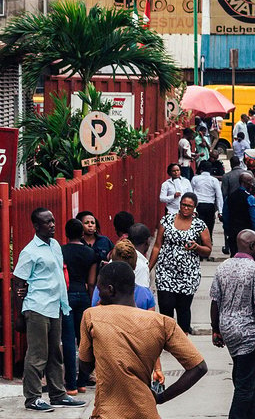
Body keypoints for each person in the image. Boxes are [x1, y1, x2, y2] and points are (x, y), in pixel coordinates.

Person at [80, 261, 207, 418]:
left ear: (110, 290)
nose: (98, 295)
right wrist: (161, 397)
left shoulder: (92, 316)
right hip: (145, 411)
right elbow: (199, 368)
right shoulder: (162, 323)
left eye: (100, 290)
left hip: (107, 412)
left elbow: (85, 365)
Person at [13, 207, 78, 411]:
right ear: (36, 226)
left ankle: (58, 394)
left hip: (54, 306)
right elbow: (18, 282)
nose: (52, 225)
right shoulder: (30, 251)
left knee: (54, 353)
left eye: (53, 221)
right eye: (47, 222)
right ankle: (32, 398)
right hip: (37, 307)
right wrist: (19, 315)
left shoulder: (55, 245)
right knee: (37, 354)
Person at [210, 230, 255, 419]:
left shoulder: (223, 267)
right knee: (245, 387)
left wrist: (216, 329)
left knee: (245, 377)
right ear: (252, 246)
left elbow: (215, 301)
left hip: (228, 330)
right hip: (249, 333)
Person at [150, 191, 211, 333]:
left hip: (188, 274)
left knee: (183, 308)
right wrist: (148, 268)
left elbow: (208, 249)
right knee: (166, 305)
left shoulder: (199, 225)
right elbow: (157, 246)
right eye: (183, 204)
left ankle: (183, 339)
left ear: (194, 207)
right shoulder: (166, 220)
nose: (185, 208)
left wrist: (197, 247)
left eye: (189, 206)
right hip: (165, 271)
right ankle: (167, 337)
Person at [60, 210, 99, 396]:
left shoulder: (60, 251)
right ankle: (83, 382)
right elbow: (91, 282)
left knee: (68, 340)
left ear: (66, 234)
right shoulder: (90, 253)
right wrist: (92, 302)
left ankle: (71, 384)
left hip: (66, 295)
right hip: (83, 295)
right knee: (84, 339)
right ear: (82, 233)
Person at [191, 158, 222, 246]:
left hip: (198, 205)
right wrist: (220, 211)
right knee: (209, 226)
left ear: (201, 169)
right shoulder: (214, 180)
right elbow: (219, 196)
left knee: (197, 226)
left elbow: (191, 193)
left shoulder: (195, 179)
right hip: (210, 206)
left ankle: (198, 244)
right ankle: (208, 244)